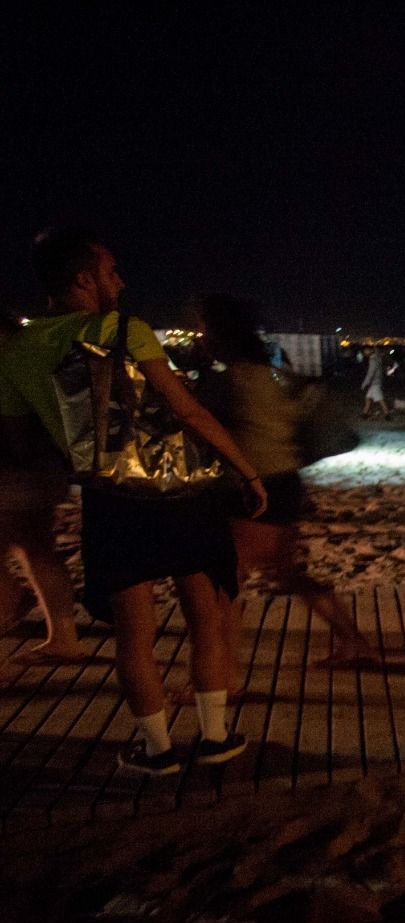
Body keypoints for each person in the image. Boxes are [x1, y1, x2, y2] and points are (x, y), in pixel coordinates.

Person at [0, 227, 266, 774]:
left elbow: (25, 440)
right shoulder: (125, 330)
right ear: (84, 277)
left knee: (134, 635)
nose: (119, 280)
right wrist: (245, 469)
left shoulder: (18, 352)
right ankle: (214, 739)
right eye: (111, 270)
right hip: (181, 490)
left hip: (112, 500)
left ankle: (156, 749)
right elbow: (188, 410)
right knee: (203, 617)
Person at [198, 294, 375, 686]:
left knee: (226, 584)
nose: (201, 338)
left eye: (205, 329)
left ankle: (222, 679)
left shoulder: (235, 380)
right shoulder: (272, 373)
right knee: (287, 574)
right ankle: (354, 640)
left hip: (254, 488)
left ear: (220, 333)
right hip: (284, 483)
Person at [0, 315, 83, 664]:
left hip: (15, 475)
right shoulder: (34, 364)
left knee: (31, 552)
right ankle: (62, 635)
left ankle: (48, 632)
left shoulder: (8, 371)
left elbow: (15, 435)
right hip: (40, 472)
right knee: (37, 551)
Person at [360, 346, 390, 419]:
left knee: (380, 399)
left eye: (366, 351)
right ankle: (364, 414)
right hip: (377, 381)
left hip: (374, 382)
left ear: (370, 350)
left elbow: (371, 373)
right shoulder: (377, 358)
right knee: (368, 398)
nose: (365, 353)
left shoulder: (372, 360)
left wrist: (364, 383)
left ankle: (387, 414)